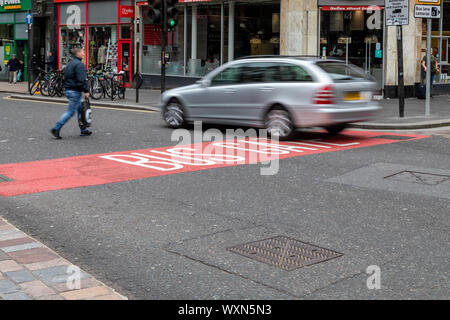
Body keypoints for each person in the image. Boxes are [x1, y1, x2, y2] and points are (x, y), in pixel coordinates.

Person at [50, 48, 91, 139]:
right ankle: (56, 128)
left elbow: (67, 78)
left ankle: (83, 129)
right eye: (82, 52)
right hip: (75, 91)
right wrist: (86, 91)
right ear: (78, 54)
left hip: (69, 90)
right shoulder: (79, 65)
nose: (83, 54)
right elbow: (81, 80)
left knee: (81, 109)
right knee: (70, 112)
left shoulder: (70, 64)